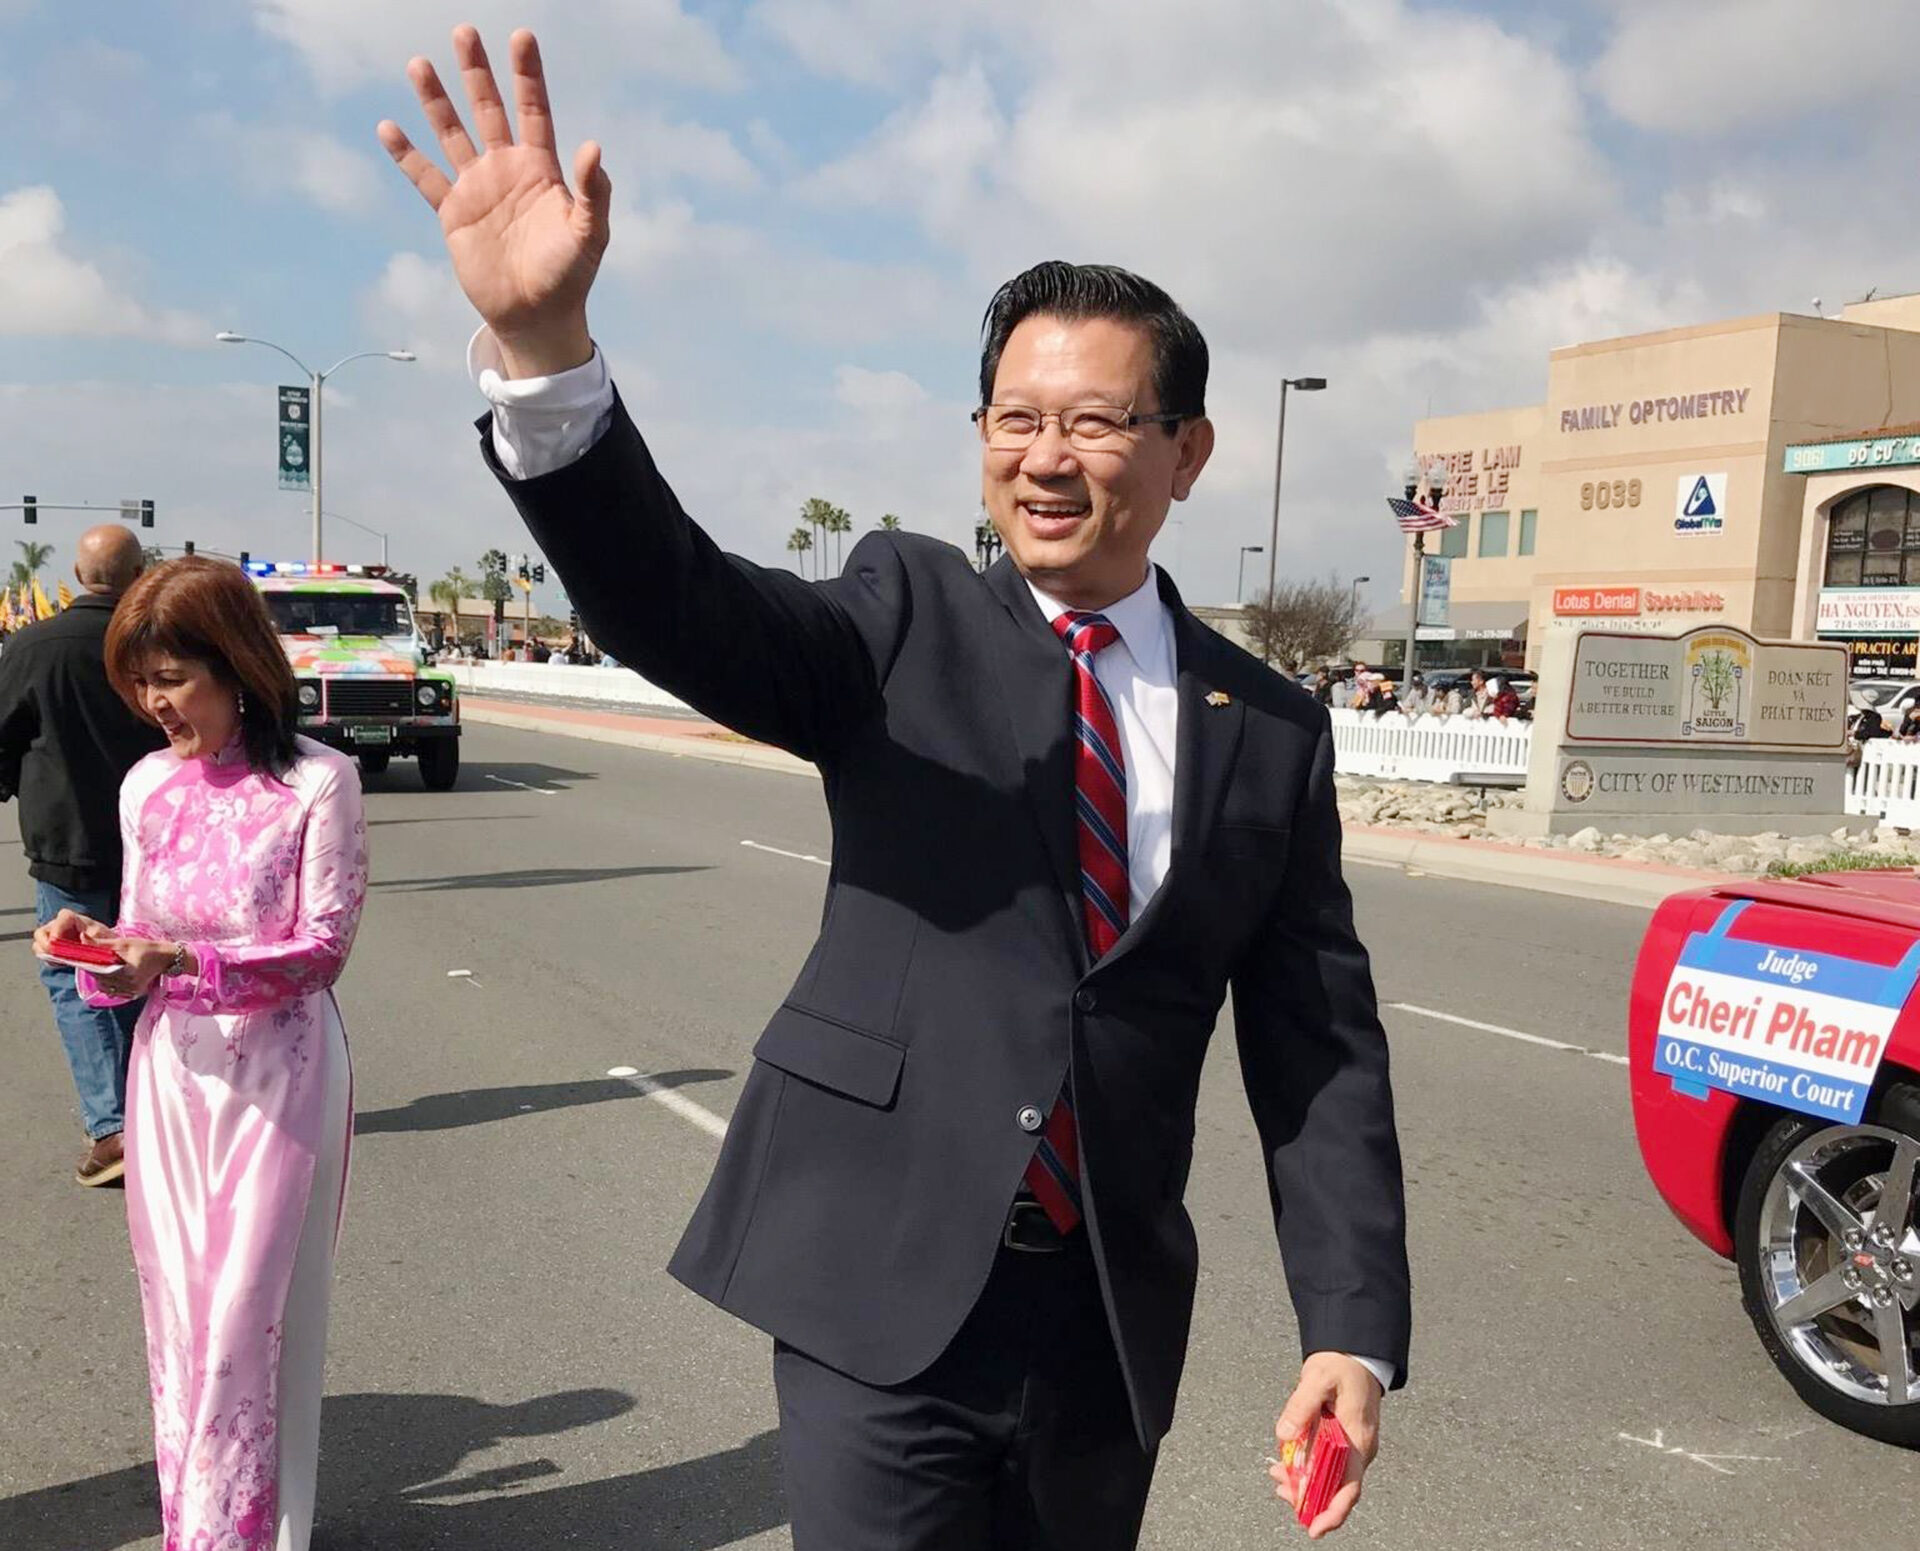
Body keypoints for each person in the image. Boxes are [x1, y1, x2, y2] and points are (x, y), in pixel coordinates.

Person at [382, 28, 1409, 1548]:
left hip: (1103, 1320)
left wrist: (1351, 1326)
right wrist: (549, 360)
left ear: (1187, 452)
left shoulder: (1267, 727)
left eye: (1093, 421)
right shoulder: (903, 615)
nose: (1045, 458)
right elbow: (679, 603)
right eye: (1015, 418)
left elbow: (1317, 1043)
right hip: (878, 1291)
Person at [34, 557, 367, 1551]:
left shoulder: (318, 782)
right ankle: (202, 1527)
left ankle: (244, 1533)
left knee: (247, 1321)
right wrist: (101, 951)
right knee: (179, 1319)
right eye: (139, 682)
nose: (153, 703)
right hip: (172, 1076)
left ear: (237, 665)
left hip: (282, 1077)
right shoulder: (146, 786)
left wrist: (182, 958)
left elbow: (322, 951)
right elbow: (140, 936)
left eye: (172, 678)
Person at [0, 526, 166, 1184]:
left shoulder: (32, 646)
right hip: (157, 846)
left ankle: (114, 1126)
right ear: (138, 575)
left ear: (77, 574)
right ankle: (148, 1114)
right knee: (145, 973)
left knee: (78, 979)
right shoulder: (155, 645)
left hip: (68, 844)